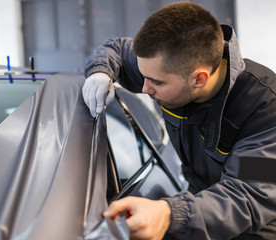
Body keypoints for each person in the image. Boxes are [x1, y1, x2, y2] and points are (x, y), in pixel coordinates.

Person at [82, 2, 276, 240]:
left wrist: (169, 214)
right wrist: (100, 71)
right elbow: (117, 49)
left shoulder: (265, 112)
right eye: (143, 76)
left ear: (199, 80)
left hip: (255, 224)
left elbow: (247, 195)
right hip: (199, 201)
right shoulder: (166, 66)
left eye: (156, 82)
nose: (144, 88)